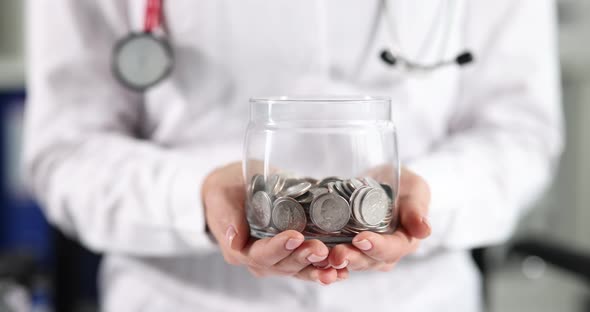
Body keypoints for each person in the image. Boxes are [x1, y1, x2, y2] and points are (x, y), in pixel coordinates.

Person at [23, 1, 563, 311]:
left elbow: (518, 133)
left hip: (416, 297)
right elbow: (64, 151)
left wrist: (422, 199)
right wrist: (196, 196)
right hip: (184, 296)